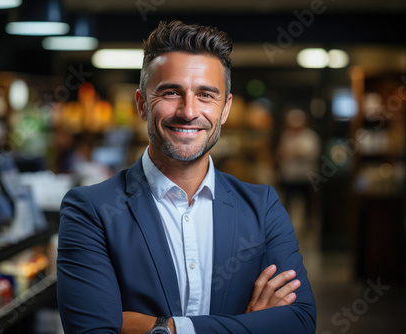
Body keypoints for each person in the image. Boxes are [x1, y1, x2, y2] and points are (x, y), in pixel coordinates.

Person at [57, 20, 316, 334]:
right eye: (170, 92)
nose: (189, 111)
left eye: (206, 95)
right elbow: (94, 331)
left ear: (225, 109)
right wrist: (249, 326)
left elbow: (300, 321)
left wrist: (166, 328)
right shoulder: (90, 210)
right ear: (141, 104)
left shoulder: (262, 206)